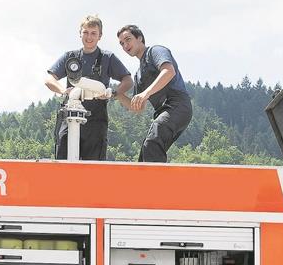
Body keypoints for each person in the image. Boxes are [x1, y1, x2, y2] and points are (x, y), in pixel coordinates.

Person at [46, 15, 132, 161]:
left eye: (93, 33)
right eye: (85, 32)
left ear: (100, 36)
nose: (89, 37)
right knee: (63, 158)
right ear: (80, 33)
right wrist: (62, 90)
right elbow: (49, 79)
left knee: (93, 166)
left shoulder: (107, 58)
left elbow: (128, 80)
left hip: (96, 118)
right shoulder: (70, 57)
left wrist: (113, 93)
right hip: (70, 113)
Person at [116, 25, 193, 162]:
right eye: (122, 43)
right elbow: (137, 107)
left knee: (152, 142)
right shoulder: (138, 75)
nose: (125, 45)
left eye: (128, 39)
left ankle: (157, 183)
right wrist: (116, 94)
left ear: (139, 38)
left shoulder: (155, 51)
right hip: (162, 111)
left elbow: (169, 71)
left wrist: (145, 93)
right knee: (145, 153)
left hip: (178, 105)